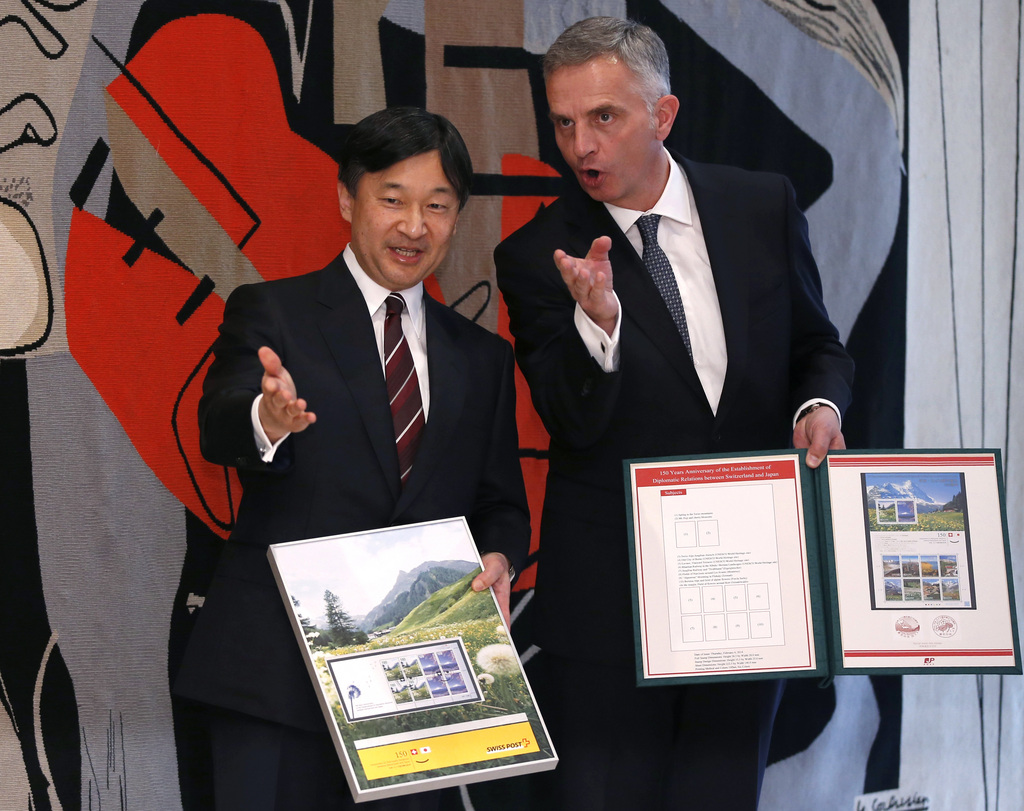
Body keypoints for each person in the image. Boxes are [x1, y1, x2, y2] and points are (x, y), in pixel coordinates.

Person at [494, 17, 855, 811]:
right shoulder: (538, 254)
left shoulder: (761, 205)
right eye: (562, 122)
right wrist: (600, 324)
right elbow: (568, 418)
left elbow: (818, 345)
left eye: (603, 118)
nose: (579, 144)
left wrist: (820, 404)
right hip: (609, 607)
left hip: (749, 589)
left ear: (662, 116)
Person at [174, 106, 530, 810]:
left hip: (411, 702)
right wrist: (265, 419)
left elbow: (501, 501)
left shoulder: (482, 358)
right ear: (347, 198)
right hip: (275, 681)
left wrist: (500, 558)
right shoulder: (273, 313)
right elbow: (217, 426)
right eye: (392, 199)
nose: (413, 226)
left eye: (437, 205)